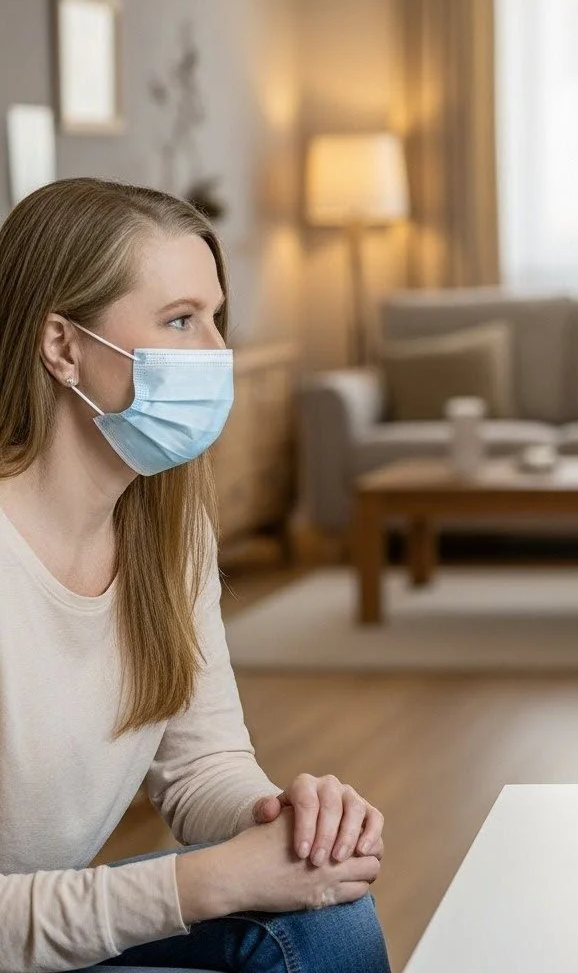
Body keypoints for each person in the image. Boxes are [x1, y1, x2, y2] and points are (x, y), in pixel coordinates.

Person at [0, 178, 390, 972]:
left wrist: (282, 822)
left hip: (41, 932)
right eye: (181, 321)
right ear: (63, 346)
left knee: (328, 909)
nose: (217, 353)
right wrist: (207, 882)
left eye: (217, 318)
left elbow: (201, 764)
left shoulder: (169, 535)